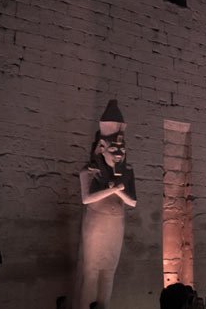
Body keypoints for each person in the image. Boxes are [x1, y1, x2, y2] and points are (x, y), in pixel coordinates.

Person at [74, 100, 138, 309]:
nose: (119, 153)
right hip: (96, 222)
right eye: (114, 148)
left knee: (109, 271)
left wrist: (119, 190)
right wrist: (112, 189)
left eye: (122, 148)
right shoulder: (89, 172)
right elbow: (86, 199)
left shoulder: (126, 173)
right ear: (102, 148)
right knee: (91, 271)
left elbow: (133, 202)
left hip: (116, 223)